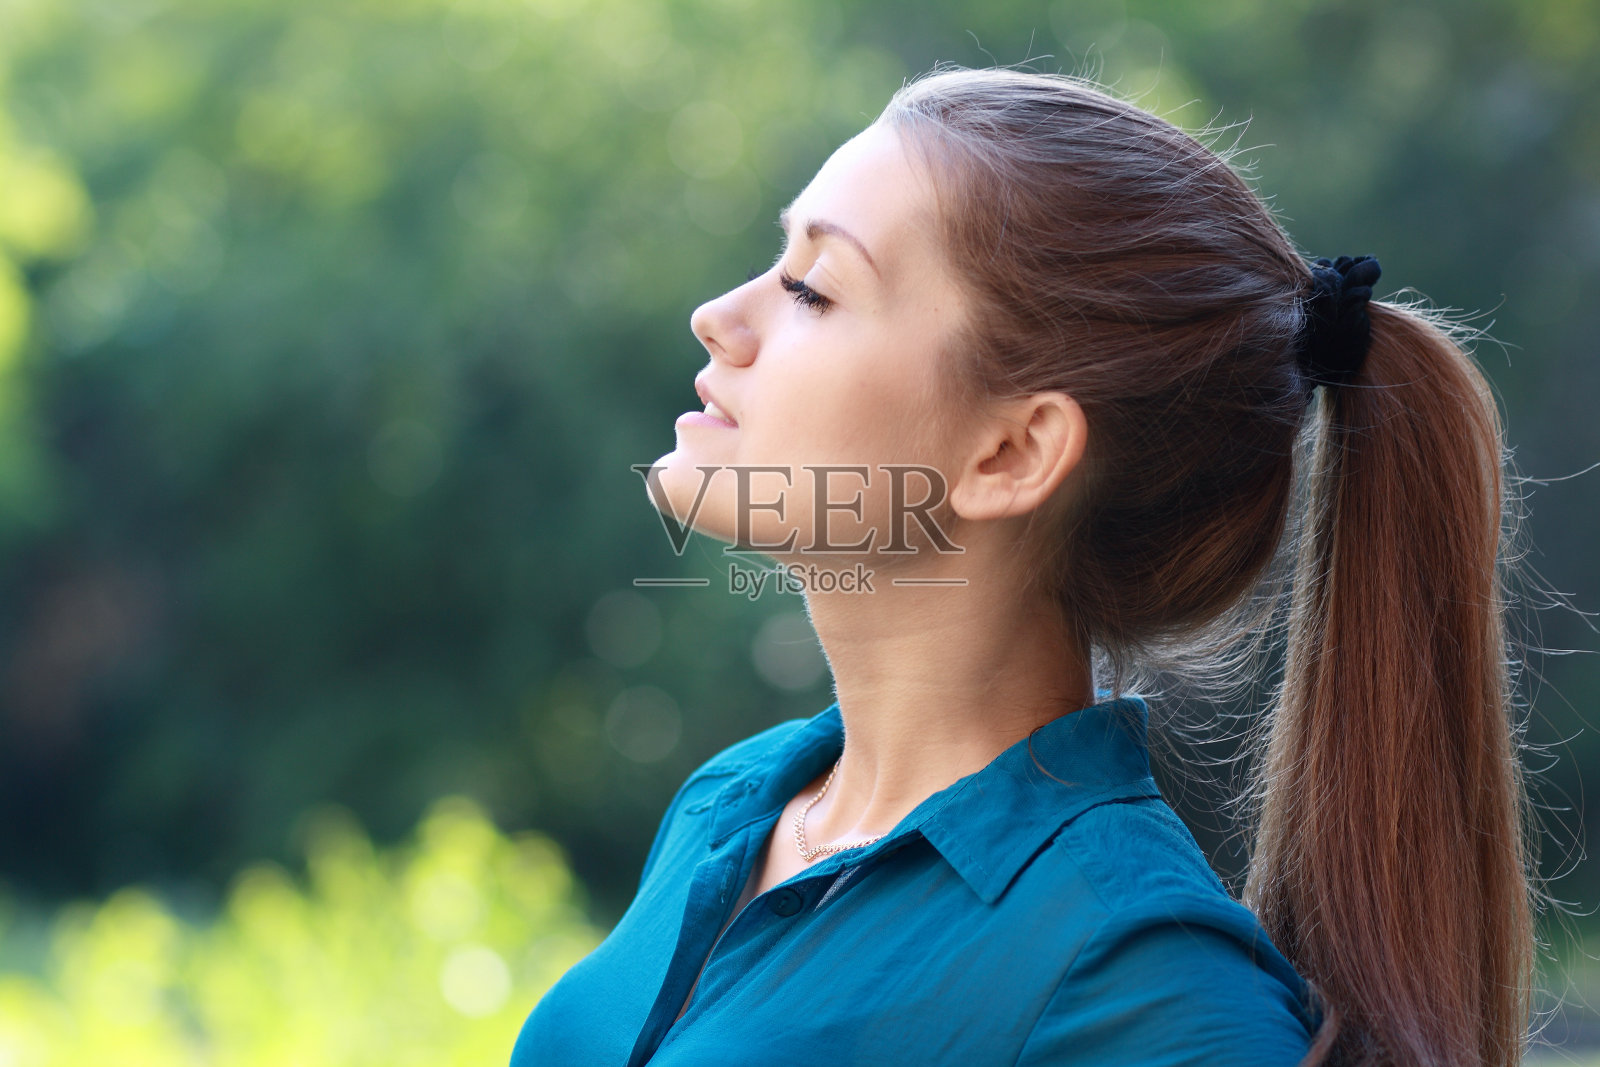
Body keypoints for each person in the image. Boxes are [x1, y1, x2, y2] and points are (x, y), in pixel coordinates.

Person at [511, 67, 1535, 1066]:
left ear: (1013, 452)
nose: (720, 317)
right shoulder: (733, 802)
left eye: (813, 289)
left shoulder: (1141, 980)